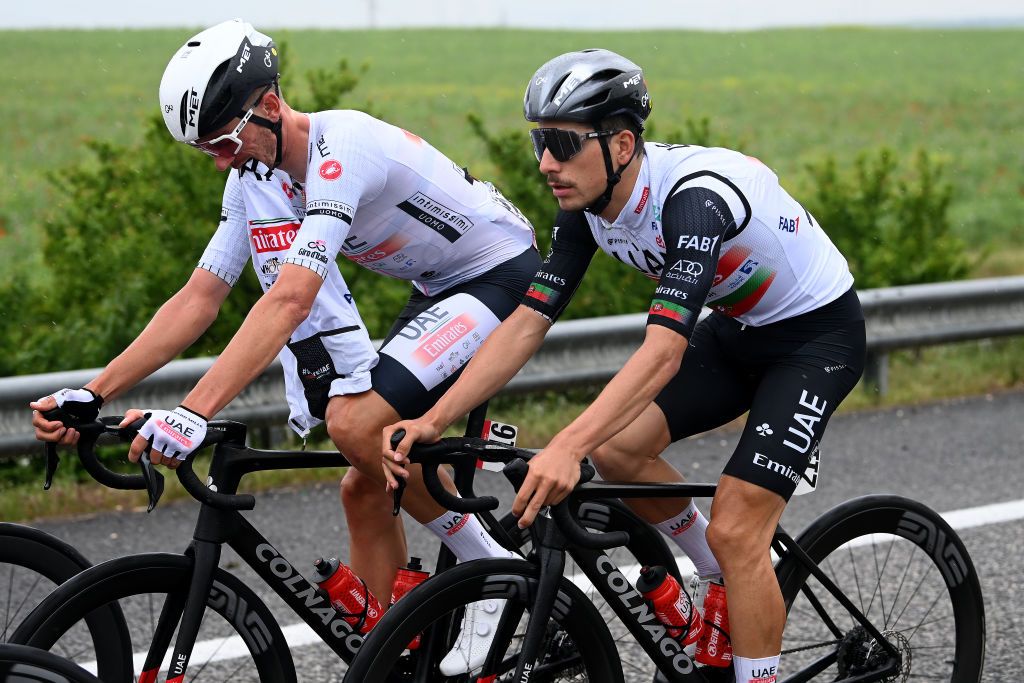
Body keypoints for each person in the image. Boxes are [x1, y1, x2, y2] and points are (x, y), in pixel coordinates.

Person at [385, 49, 866, 683]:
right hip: (741, 331)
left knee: (740, 526)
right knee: (617, 452)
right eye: (538, 143)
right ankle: (716, 571)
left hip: (816, 339)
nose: (546, 163)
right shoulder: (584, 205)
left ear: (621, 143)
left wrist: (564, 443)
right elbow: (526, 322)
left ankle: (739, 596)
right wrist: (434, 418)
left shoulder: (695, 200)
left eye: (561, 142)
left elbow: (664, 350)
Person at [119, 20, 540, 610]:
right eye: (205, 149)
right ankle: (396, 647)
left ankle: (493, 572)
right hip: (439, 288)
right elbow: (200, 296)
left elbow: (290, 299)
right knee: (363, 489)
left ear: (269, 105)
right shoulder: (256, 173)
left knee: (355, 425)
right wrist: (93, 391)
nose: (220, 162)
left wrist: (194, 412)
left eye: (223, 142)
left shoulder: (341, 150)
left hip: (500, 275)